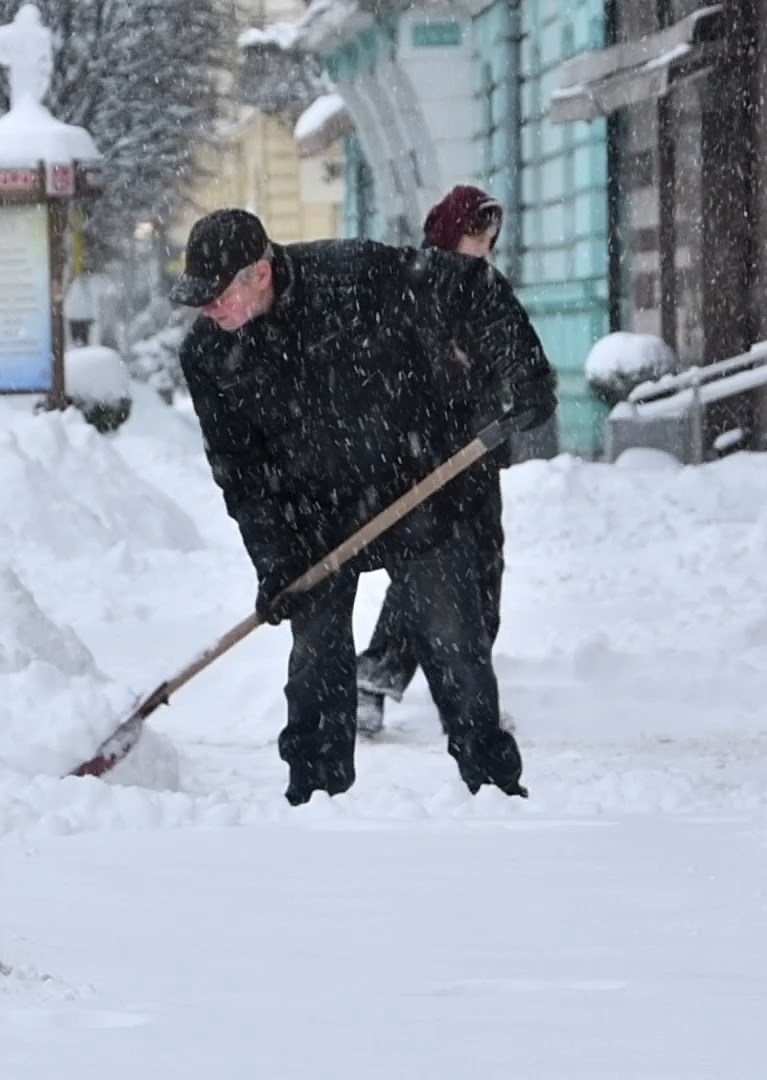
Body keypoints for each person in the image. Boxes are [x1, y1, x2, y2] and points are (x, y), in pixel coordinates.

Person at [171, 208, 555, 805]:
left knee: (456, 648)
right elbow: (239, 472)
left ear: (261, 274)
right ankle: (315, 803)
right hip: (314, 519)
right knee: (315, 662)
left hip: (416, 485)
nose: (208, 310)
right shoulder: (207, 353)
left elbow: (472, 286)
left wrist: (523, 369)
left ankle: (494, 791)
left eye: (217, 296)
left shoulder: (354, 275)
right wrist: (275, 562)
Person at [357, 185, 513, 738]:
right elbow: (404, 372)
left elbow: (500, 363)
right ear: (451, 235)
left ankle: (471, 691)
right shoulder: (416, 287)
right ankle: (374, 678)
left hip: (478, 454)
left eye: (490, 241)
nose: (485, 250)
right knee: (429, 573)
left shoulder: (486, 289)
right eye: (477, 238)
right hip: (428, 459)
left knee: (485, 569)